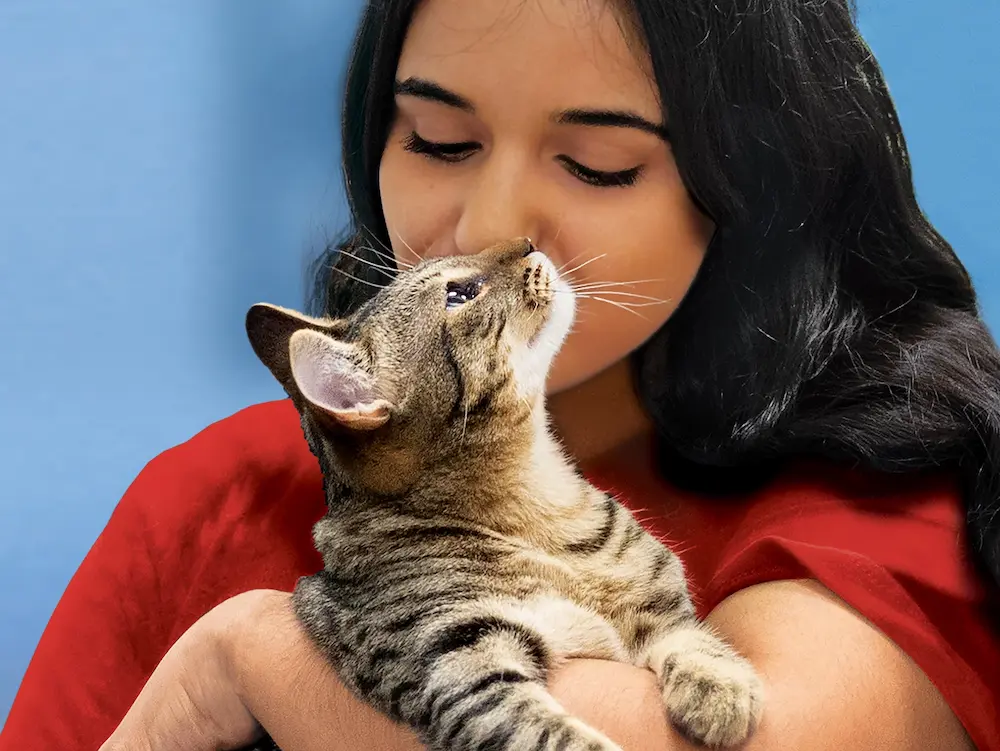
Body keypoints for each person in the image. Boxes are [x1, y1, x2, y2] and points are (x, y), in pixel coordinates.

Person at [3, 0, 999, 749]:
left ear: (759, 182)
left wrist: (252, 655)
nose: (484, 229)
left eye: (598, 164)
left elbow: (758, 732)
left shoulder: (882, 482)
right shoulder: (214, 494)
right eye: (437, 141)